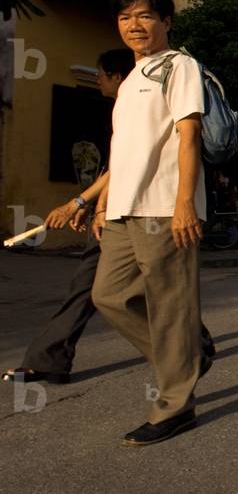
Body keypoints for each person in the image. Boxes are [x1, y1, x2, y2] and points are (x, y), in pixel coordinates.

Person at [2, 51, 215, 385]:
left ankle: (188, 354)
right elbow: (118, 167)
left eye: (101, 75)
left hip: (143, 211)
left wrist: (88, 204)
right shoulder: (124, 105)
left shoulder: (152, 97)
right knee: (99, 288)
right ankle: (50, 357)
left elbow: (130, 166)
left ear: (118, 76)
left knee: (144, 288)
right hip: (117, 211)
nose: (98, 81)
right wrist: (88, 204)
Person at [90, 0, 211, 446]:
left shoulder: (179, 66)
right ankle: (188, 352)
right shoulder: (131, 79)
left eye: (144, 16)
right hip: (124, 207)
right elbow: (123, 151)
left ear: (166, 22)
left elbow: (189, 135)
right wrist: (104, 202)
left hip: (162, 205)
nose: (134, 26)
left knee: (170, 307)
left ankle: (175, 406)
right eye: (125, 18)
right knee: (108, 295)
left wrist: (184, 203)